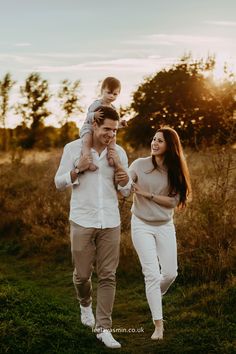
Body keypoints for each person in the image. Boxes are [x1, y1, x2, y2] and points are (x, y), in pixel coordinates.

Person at [54, 106, 130, 349]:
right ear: (94, 126)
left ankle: (104, 328)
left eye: (114, 130)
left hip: (110, 222)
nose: (110, 134)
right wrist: (78, 169)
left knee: (108, 275)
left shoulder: (118, 152)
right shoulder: (73, 149)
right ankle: (84, 303)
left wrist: (121, 172)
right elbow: (58, 182)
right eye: (106, 128)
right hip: (82, 220)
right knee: (82, 275)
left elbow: (126, 191)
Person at [129, 127, 191, 341]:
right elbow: (125, 185)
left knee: (171, 273)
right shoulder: (139, 164)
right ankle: (158, 326)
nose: (154, 143)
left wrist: (148, 194)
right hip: (141, 224)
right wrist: (124, 186)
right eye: (153, 139)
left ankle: (154, 292)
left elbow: (173, 201)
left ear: (170, 146)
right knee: (152, 275)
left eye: (160, 141)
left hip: (164, 225)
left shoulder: (175, 171)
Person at [80, 76, 127, 170]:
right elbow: (88, 116)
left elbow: (113, 124)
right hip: (89, 127)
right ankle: (87, 159)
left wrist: (121, 124)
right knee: (87, 141)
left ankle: (111, 156)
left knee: (113, 138)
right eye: (109, 92)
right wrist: (94, 115)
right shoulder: (97, 104)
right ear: (102, 91)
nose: (111, 96)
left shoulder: (113, 108)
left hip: (104, 131)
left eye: (115, 94)